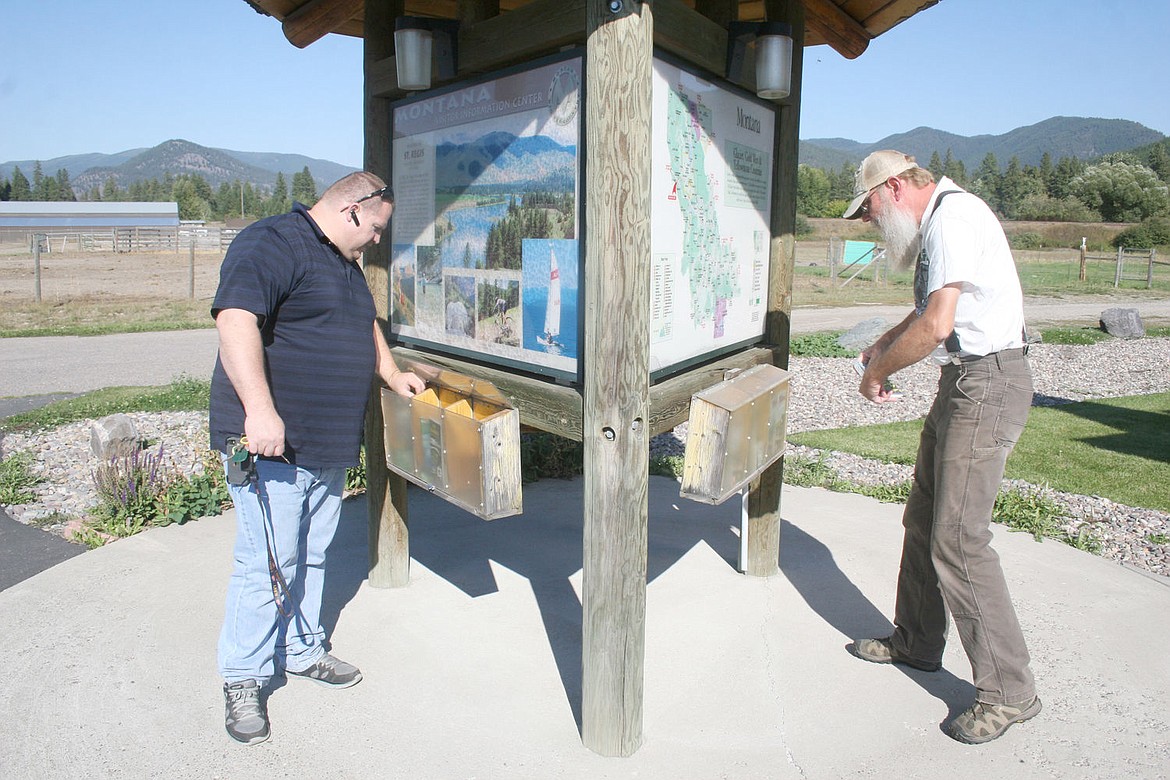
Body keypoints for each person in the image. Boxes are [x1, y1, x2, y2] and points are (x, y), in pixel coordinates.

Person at [210, 171, 425, 745]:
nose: (379, 239)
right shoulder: (273, 241)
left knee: (310, 554)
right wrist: (259, 410)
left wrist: (391, 372)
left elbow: (365, 325)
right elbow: (234, 319)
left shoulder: (341, 263)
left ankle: (301, 651)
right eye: (377, 227)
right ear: (354, 210)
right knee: (268, 563)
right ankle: (243, 678)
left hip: (326, 445)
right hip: (271, 444)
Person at [842, 151, 1040, 745]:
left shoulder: (953, 217)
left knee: (959, 537)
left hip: (988, 382)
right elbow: (928, 309)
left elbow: (935, 327)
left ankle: (1010, 691)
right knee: (926, 518)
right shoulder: (943, 222)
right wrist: (883, 340)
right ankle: (917, 641)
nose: (870, 222)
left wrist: (875, 373)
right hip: (965, 381)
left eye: (871, 208)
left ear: (895, 188)